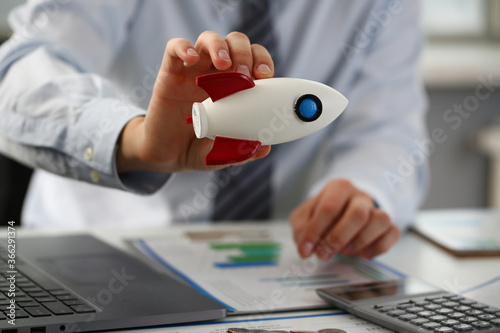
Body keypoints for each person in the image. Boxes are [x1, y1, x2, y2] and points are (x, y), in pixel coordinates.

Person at [0, 0, 428, 261]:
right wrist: (140, 141)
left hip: (261, 263)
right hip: (94, 244)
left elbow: (389, 126)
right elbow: (19, 76)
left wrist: (362, 192)